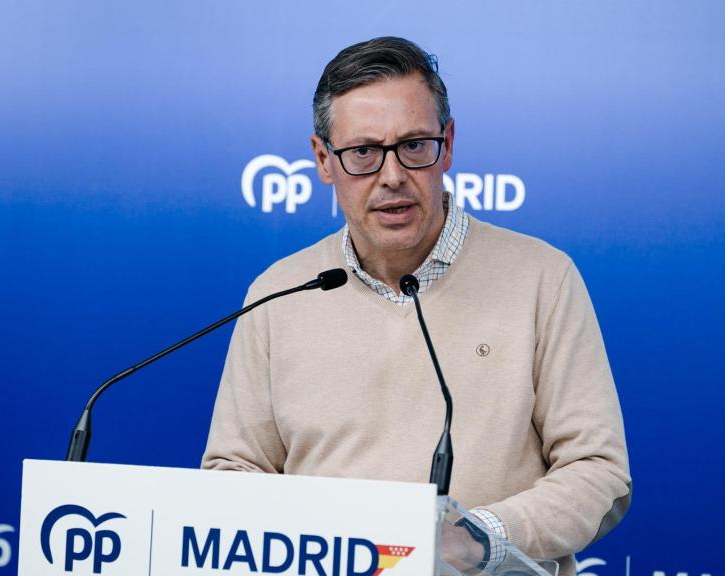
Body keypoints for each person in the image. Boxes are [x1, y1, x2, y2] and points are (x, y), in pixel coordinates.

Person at [202, 36, 631, 576]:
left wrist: (481, 537)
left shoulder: (543, 278)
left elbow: (597, 471)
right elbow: (234, 471)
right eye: (363, 152)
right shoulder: (279, 291)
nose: (392, 176)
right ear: (323, 160)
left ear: (446, 146)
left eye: (414, 145)